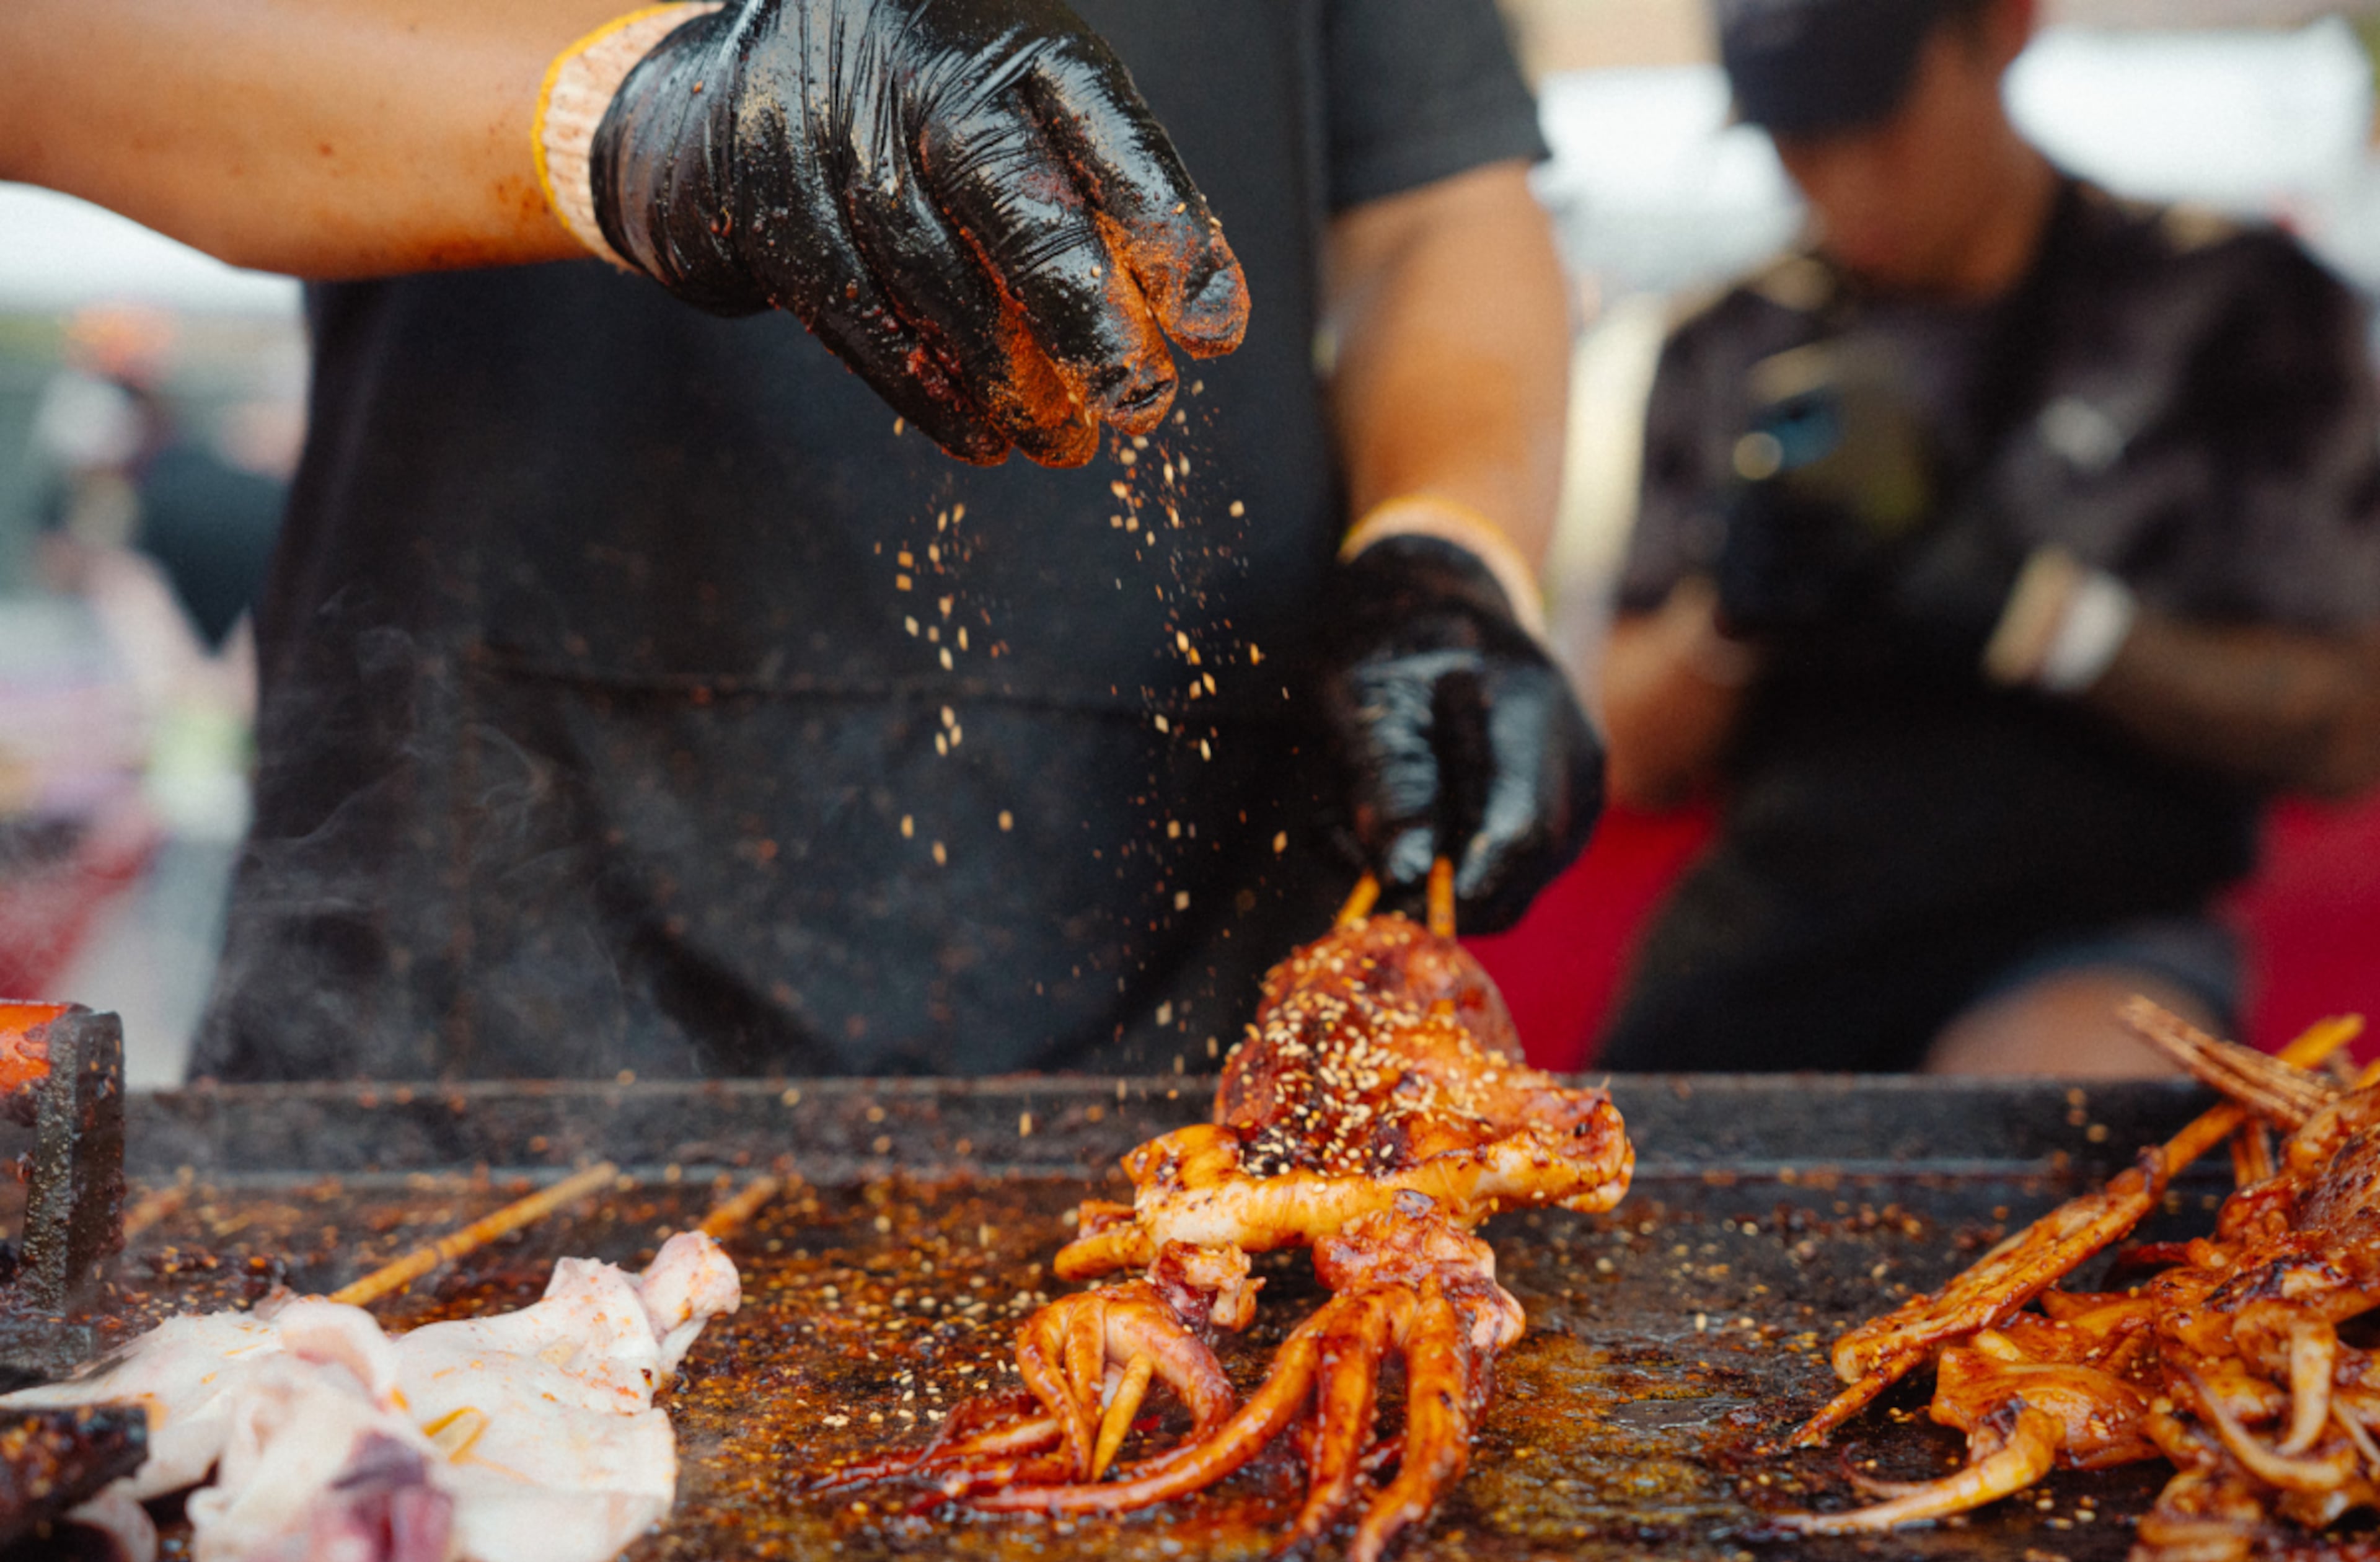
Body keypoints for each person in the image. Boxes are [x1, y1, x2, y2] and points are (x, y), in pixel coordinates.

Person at [0, 0, 1602, 1079]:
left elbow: (1440, 212)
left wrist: (1450, 544)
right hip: (480, 904)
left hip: (1200, 926)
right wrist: (622, 118)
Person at [1597, 0, 2380, 1079]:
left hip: (2085, 923)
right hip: (1782, 925)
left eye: (1879, 121)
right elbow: (1631, 752)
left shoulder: (2234, 309)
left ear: (2003, 28)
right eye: (1797, 139)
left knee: (2060, 1119)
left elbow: (2347, 730)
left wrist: (2041, 616)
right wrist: (1728, 618)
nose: (1842, 182)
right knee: (1625, 1195)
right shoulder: (1727, 344)